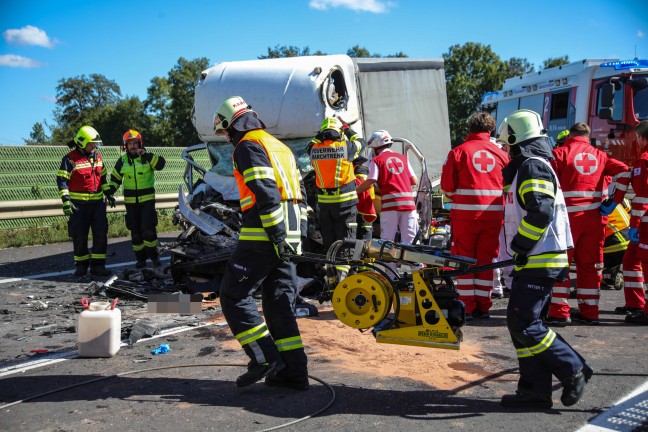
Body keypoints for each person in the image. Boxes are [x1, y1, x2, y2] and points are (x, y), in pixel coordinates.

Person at [498, 109, 592, 409]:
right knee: (521, 322)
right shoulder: (531, 166)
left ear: (515, 140)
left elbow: (540, 212)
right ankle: (534, 392)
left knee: (524, 323)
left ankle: (573, 368)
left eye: (506, 144)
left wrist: (520, 246)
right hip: (535, 259)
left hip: (539, 257)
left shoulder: (532, 167)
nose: (504, 150)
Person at [213, 96, 309, 389]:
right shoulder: (279, 146)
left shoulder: (247, 146)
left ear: (232, 125)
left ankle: (264, 357)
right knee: (278, 304)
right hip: (289, 235)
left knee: (232, 295)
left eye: (225, 132)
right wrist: (295, 236)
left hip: (264, 235)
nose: (227, 138)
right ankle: (294, 372)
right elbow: (301, 193)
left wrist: (276, 236)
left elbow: (266, 194)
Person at [547, 123, 630, 326]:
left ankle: (559, 312)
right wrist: (614, 201)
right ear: (587, 136)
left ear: (571, 136)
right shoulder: (600, 155)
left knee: (561, 265)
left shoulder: (559, 153)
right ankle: (590, 312)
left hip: (566, 221)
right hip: (594, 221)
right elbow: (625, 171)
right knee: (591, 267)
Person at [440, 112, 509, 318]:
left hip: (465, 217)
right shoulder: (502, 154)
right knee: (486, 260)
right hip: (494, 217)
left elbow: (447, 187)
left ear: (470, 128)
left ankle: (467, 306)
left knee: (464, 260)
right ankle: (483, 306)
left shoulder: (458, 152)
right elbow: (508, 186)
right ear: (490, 130)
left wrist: (459, 198)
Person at [356, 130, 418, 275]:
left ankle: (391, 275)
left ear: (376, 146)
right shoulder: (403, 158)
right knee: (411, 241)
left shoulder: (377, 161)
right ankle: (418, 273)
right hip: (409, 205)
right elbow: (413, 180)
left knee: (387, 242)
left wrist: (355, 192)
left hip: (391, 207)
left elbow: (371, 180)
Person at [308, 117, 362, 280]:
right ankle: (344, 277)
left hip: (325, 206)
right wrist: (347, 129)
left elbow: (312, 142)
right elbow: (360, 141)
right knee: (346, 241)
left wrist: (321, 135)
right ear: (339, 133)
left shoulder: (313, 149)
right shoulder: (346, 147)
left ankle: (331, 279)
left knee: (330, 243)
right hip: (345, 204)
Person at [56, 126, 112, 277]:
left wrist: (109, 193)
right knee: (79, 236)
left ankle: (98, 266)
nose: (94, 146)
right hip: (79, 206)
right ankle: (81, 266)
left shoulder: (98, 157)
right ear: (82, 143)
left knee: (101, 235)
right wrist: (66, 201)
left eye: (95, 144)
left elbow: (103, 178)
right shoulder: (69, 159)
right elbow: (62, 181)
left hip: (98, 205)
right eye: (91, 143)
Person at [106, 130, 166, 268]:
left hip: (147, 202)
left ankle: (155, 257)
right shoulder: (122, 161)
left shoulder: (147, 157)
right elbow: (115, 180)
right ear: (125, 146)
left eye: (135, 143)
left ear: (140, 144)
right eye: (130, 144)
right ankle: (141, 259)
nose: (133, 146)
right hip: (131, 203)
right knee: (136, 233)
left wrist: (147, 155)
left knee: (148, 230)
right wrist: (109, 192)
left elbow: (161, 164)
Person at [624, 120, 648, 325]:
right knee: (631, 260)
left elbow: (642, 197)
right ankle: (635, 303)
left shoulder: (644, 162)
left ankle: (645, 310)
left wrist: (635, 225)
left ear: (642, 138)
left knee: (645, 265)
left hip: (645, 224)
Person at [352, 156, 376, 240]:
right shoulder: (366, 172)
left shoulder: (358, 171)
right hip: (367, 208)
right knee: (365, 236)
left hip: (357, 208)